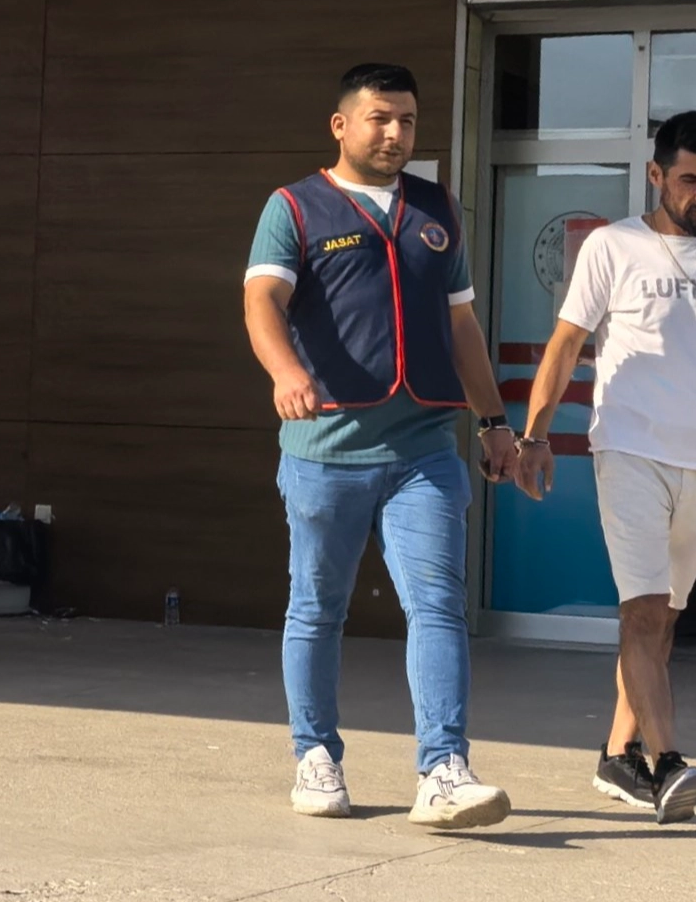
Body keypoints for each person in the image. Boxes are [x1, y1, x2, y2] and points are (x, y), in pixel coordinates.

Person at [242, 63, 517, 829]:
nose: (396, 133)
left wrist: (494, 422)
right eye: (380, 118)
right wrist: (285, 370)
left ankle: (444, 767)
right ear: (341, 125)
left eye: (408, 120)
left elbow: (461, 324)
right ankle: (315, 755)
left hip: (424, 449)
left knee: (438, 605)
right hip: (324, 450)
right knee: (317, 608)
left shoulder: (437, 210)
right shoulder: (294, 207)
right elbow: (262, 300)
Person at [514, 111, 696, 825]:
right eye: (689, 179)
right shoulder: (613, 245)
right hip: (629, 448)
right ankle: (669, 762)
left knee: (665, 617)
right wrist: (535, 435)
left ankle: (616, 754)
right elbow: (566, 343)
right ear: (655, 174)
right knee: (644, 611)